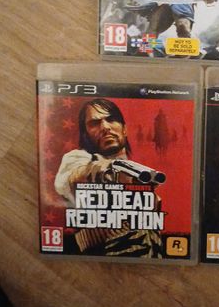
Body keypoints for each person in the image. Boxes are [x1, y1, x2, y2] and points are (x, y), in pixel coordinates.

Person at [54, 98, 163, 258]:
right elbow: (77, 176)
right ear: (85, 134)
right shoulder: (76, 160)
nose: (105, 127)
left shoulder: (137, 172)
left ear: (125, 129)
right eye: (95, 123)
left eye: (111, 119)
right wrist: (110, 171)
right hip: (105, 255)